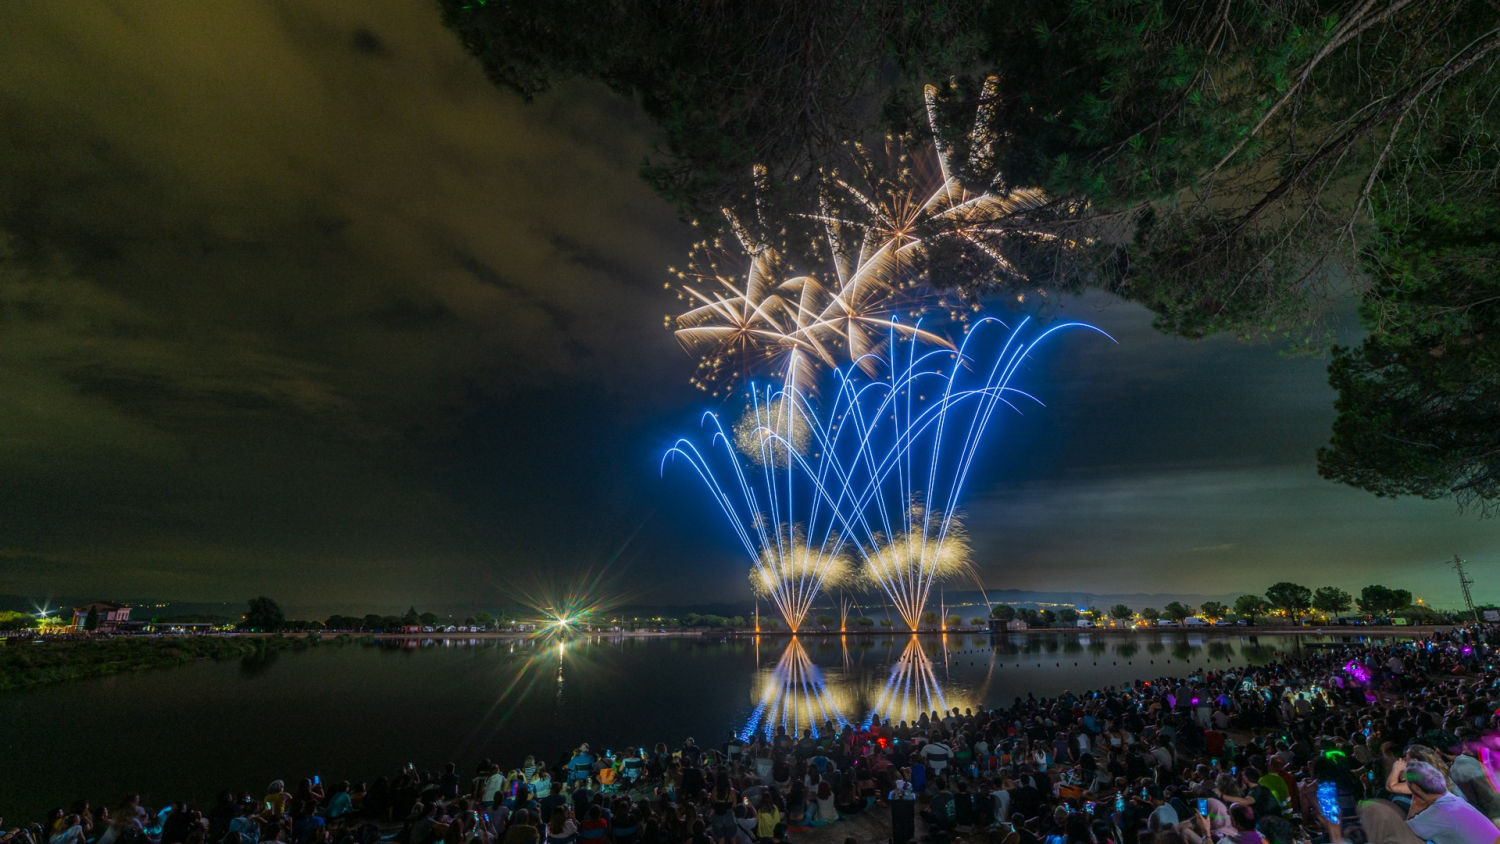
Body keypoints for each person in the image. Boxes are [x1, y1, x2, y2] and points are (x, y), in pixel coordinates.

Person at [1402, 760, 1500, 844]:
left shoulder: (1440, 812)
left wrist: (1414, 807)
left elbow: (1401, 834)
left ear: (1416, 788)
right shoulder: (1453, 799)